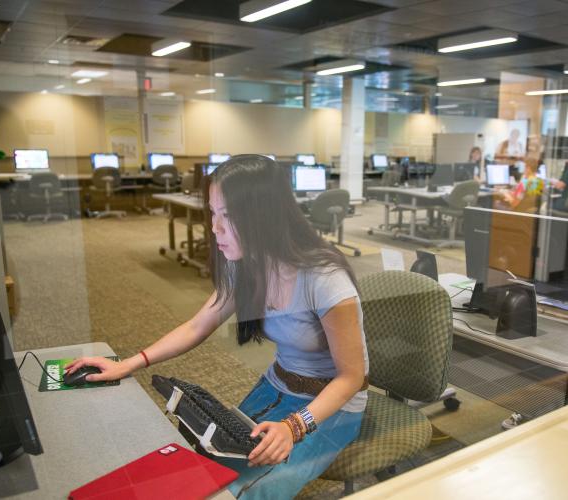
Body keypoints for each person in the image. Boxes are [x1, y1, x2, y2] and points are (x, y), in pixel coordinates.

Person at [65, 154, 369, 499]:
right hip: (277, 385)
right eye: (213, 213)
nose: (214, 228)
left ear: (262, 217)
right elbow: (198, 326)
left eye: (227, 216)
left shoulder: (325, 278)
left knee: (245, 492)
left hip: (331, 405)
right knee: (208, 464)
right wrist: (128, 363)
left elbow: (351, 377)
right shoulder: (247, 263)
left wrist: (294, 426)